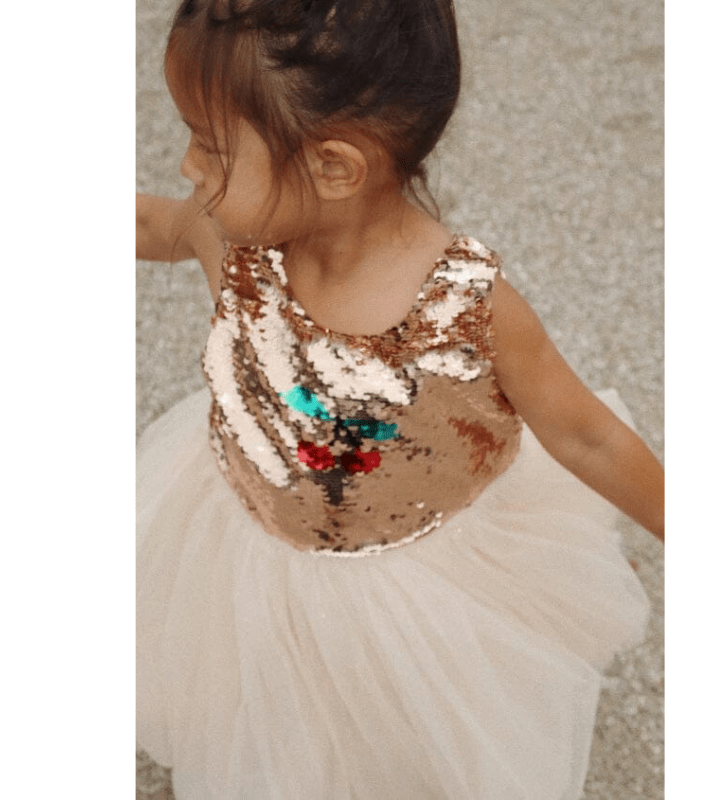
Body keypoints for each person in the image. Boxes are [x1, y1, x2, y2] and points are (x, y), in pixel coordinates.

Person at [136, 0, 664, 797]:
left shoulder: (468, 309)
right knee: (279, 718)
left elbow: (587, 434)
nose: (187, 169)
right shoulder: (229, 236)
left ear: (334, 168)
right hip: (250, 542)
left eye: (209, 147)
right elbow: (153, 225)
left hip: (417, 589)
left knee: (406, 734)